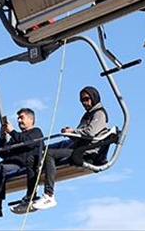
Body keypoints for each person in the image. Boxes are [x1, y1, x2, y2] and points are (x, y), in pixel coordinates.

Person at [12, 85, 109, 214]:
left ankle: (49, 195)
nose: (85, 103)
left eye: (86, 99)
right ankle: (30, 196)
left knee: (48, 155)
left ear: (93, 97)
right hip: (76, 146)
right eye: (82, 101)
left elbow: (90, 133)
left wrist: (73, 131)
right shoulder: (87, 115)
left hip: (85, 151)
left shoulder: (99, 113)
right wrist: (71, 133)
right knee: (34, 157)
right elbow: (80, 134)